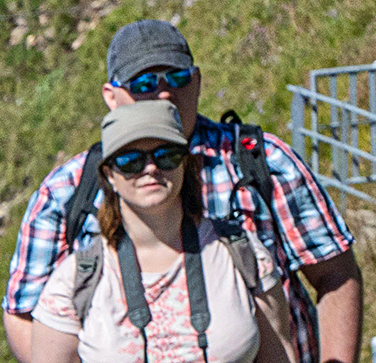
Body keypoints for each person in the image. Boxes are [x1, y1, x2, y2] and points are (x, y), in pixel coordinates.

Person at [6, 22, 361, 363]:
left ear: (198, 81)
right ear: (111, 96)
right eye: (143, 82)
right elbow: (24, 312)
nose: (164, 93)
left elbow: (335, 274)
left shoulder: (264, 162)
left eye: (177, 78)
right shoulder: (65, 193)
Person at [26, 102, 291, 363]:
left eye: (167, 155)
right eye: (130, 161)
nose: (151, 168)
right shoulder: (75, 282)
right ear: (109, 175)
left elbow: (279, 353)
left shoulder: (244, 256)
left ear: (185, 164)